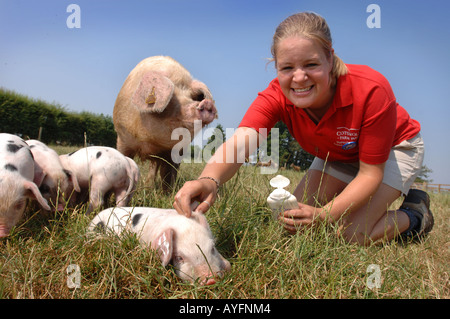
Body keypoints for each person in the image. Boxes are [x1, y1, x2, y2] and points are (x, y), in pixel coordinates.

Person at [173, 12, 434, 246]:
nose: (299, 78)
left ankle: (415, 216)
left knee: (350, 233)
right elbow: (241, 142)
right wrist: (208, 180)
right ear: (275, 67)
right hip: (339, 153)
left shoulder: (371, 89)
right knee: (293, 225)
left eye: (311, 64)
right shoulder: (275, 96)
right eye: (287, 68)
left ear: (330, 58)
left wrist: (324, 214)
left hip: (394, 150)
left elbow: (369, 174)